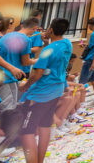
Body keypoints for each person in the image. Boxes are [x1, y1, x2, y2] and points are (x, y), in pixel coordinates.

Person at [19, 18, 73, 163]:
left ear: (51, 30)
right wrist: (46, 43)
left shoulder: (48, 50)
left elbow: (37, 74)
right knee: (45, 126)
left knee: (26, 132)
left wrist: (25, 86)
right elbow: (54, 56)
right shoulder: (66, 43)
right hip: (56, 90)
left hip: (40, 94)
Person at [0, 17, 39, 112]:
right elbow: (25, 62)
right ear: (34, 29)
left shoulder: (8, 35)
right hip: (5, 77)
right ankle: (3, 126)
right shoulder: (26, 39)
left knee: (1, 105)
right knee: (7, 108)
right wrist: (37, 60)